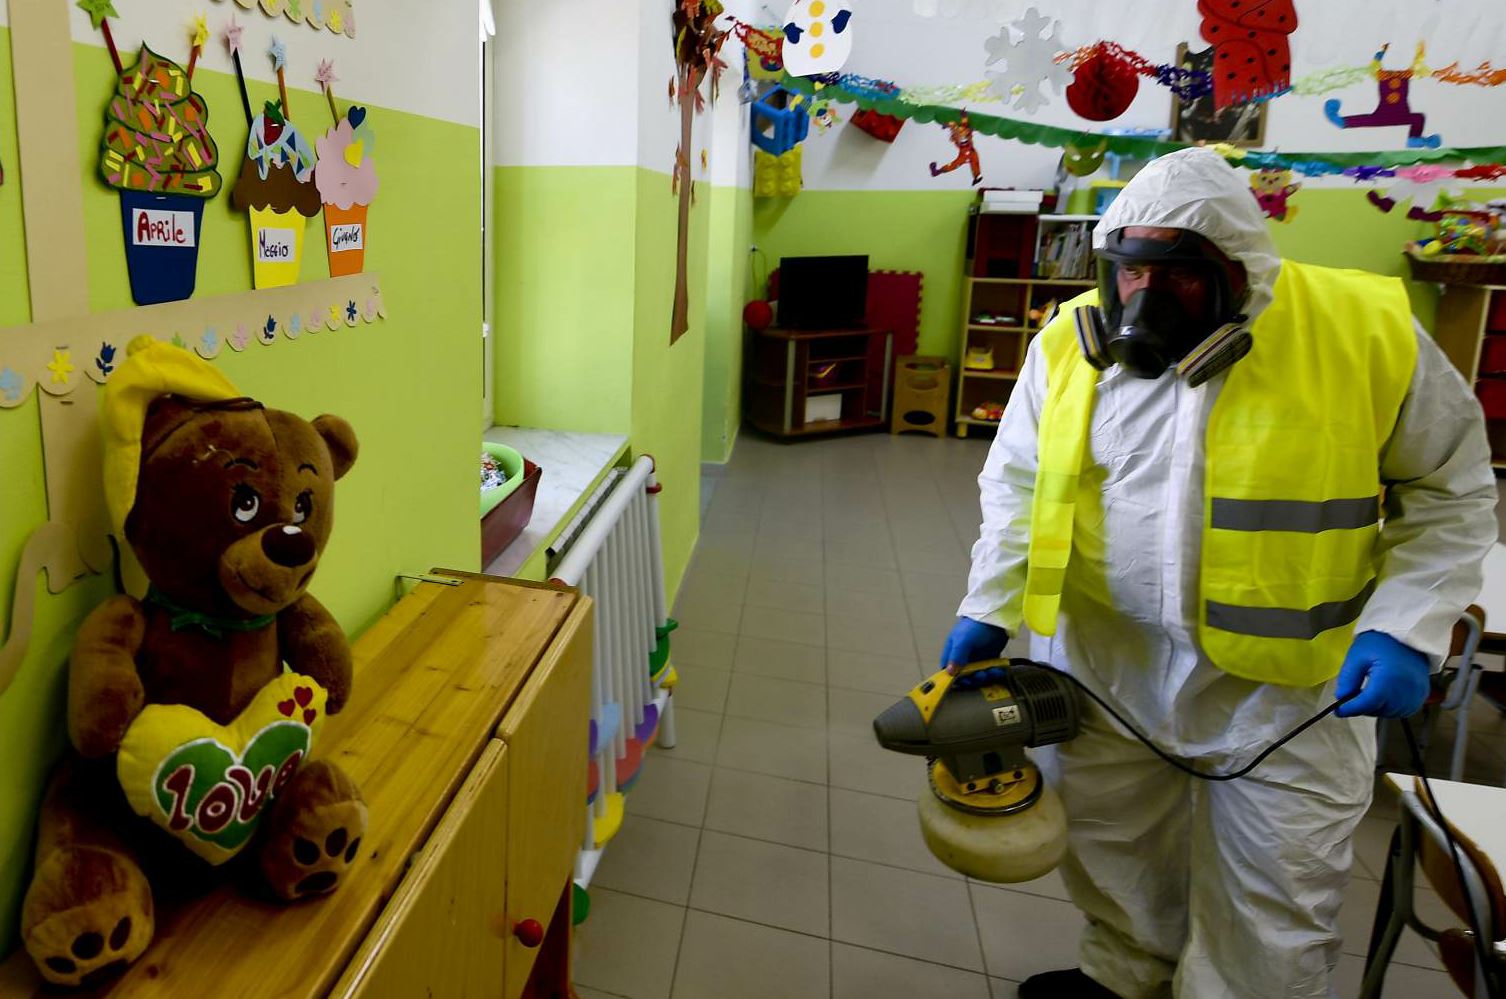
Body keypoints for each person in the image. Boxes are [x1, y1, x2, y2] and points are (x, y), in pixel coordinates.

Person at [943, 146, 1498, 999]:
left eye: (1178, 277)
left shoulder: (1364, 331)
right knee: (1116, 853)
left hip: (1290, 696)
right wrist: (989, 602)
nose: (1145, 299)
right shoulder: (1066, 346)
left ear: (1241, 275)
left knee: (1275, 898)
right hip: (1106, 668)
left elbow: (1452, 489)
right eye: (1129, 271)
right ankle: (1126, 976)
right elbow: (1017, 483)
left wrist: (1405, 625)